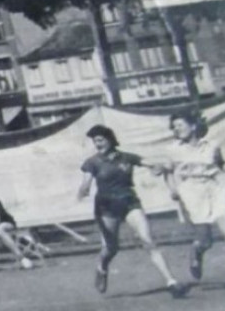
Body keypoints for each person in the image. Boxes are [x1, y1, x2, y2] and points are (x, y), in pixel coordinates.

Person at [160, 110, 225, 293]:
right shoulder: (173, 149)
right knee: (205, 241)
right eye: (174, 127)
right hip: (191, 193)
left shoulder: (212, 145)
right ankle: (196, 251)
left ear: (193, 126)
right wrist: (172, 190)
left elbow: (220, 163)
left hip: (214, 189)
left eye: (180, 125)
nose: (177, 129)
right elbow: (167, 171)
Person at [76, 124, 183, 297]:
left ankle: (171, 281)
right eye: (95, 141)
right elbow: (86, 182)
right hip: (106, 208)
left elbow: (150, 164)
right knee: (111, 249)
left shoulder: (126, 157)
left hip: (129, 203)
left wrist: (159, 167)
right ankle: (101, 268)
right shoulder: (92, 162)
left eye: (101, 140)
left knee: (149, 240)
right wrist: (83, 189)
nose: (98, 144)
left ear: (110, 139)